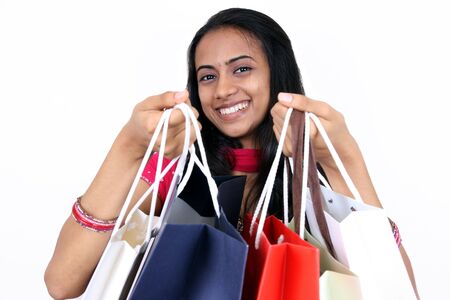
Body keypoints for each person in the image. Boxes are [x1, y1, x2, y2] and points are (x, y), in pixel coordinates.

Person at [44, 8, 419, 299]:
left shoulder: (315, 189)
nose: (223, 89)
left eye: (242, 69)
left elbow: (398, 292)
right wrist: (129, 148)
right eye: (208, 76)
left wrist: (343, 158)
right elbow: (62, 283)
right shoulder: (171, 175)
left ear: (278, 75)